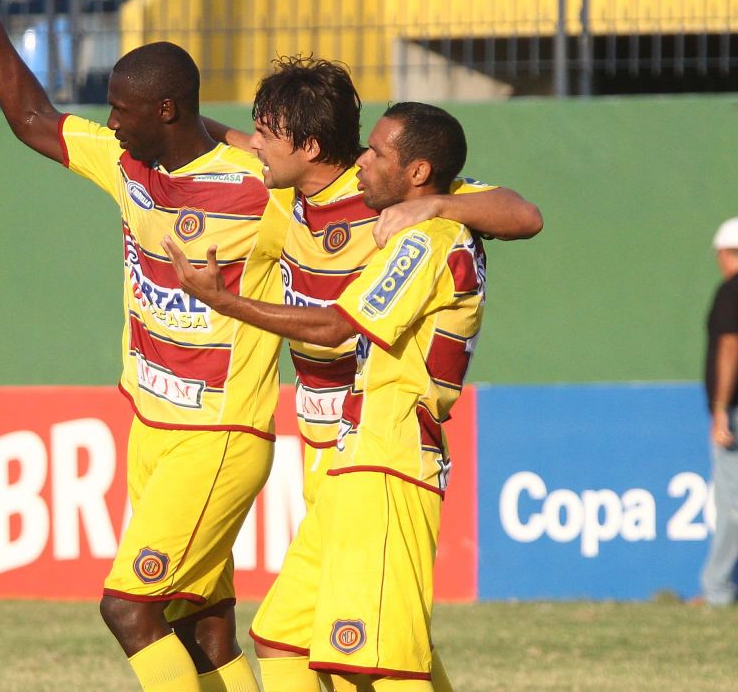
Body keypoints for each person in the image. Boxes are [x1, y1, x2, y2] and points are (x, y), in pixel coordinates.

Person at [0, 0, 291, 692]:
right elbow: (33, 118)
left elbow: (345, 197)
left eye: (123, 110)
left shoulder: (259, 190)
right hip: (153, 431)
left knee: (128, 610)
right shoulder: (127, 163)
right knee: (204, 627)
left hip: (218, 436)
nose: (111, 120)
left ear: (165, 108)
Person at [163, 102, 489, 690]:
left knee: (385, 666)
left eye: (378, 152)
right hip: (354, 455)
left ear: (418, 173)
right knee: (284, 633)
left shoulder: (430, 240)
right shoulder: (421, 226)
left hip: (389, 459)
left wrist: (224, 301)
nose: (363, 158)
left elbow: (337, 327)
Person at [204, 56, 540, 512]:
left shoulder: (384, 190)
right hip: (316, 431)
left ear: (309, 146)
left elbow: (525, 216)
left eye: (266, 134)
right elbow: (220, 135)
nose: (255, 144)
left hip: (375, 438)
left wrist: (436, 206)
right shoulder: (284, 184)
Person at [701, 216, 738, 606]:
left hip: (735, 411)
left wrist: (721, 409)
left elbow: (730, 347)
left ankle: (718, 590)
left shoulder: (731, 291)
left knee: (731, 503)